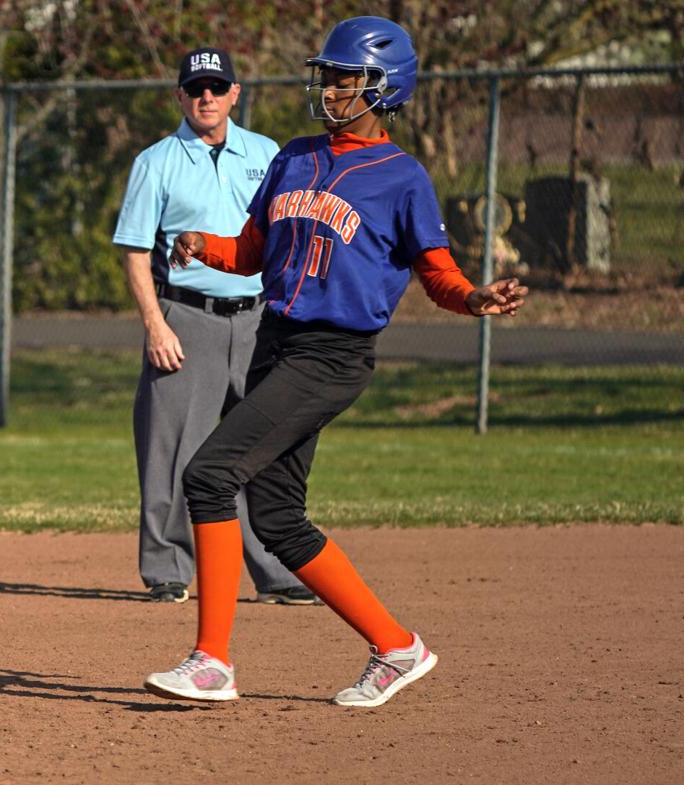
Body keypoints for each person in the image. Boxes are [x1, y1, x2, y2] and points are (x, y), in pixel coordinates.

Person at [142, 17, 528, 707]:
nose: (330, 87)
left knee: (209, 473)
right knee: (279, 516)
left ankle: (212, 660)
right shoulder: (294, 156)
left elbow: (434, 271)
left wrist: (473, 297)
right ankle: (397, 646)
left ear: (384, 88)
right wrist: (205, 244)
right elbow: (255, 251)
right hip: (276, 342)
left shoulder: (402, 177)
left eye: (345, 77)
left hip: (332, 354)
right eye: (328, 75)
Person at [113, 47, 317, 606]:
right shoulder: (156, 161)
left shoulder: (267, 153)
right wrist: (155, 324)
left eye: (216, 86)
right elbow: (134, 251)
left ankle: (277, 572)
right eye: (195, 88)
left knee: (263, 448)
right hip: (187, 318)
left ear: (235, 93)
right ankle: (167, 571)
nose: (206, 96)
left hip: (258, 320)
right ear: (180, 96)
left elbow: (286, 236)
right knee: (172, 450)